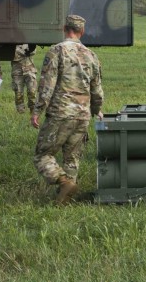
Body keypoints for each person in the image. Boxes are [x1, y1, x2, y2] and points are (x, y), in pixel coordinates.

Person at [31, 15, 104, 205]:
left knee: (43, 155)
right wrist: (97, 110)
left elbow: (47, 84)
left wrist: (38, 109)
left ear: (65, 28)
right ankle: (65, 199)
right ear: (82, 31)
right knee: (72, 158)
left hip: (61, 113)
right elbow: (96, 88)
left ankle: (64, 183)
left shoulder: (57, 51)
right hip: (83, 115)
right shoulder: (92, 56)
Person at [11, 44, 38, 113]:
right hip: (17, 70)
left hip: (29, 69)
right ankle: (21, 113)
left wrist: (23, 51)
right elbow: (13, 52)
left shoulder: (29, 41)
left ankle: (33, 112)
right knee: (18, 93)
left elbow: (33, 51)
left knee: (32, 91)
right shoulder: (12, 41)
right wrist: (24, 51)